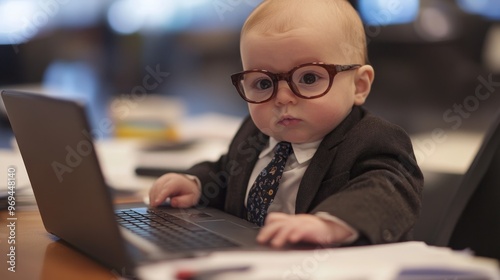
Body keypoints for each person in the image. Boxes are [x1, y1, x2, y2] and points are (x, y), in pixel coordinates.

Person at [149, 0, 423, 248]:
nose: (281, 98)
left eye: (308, 78)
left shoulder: (373, 139)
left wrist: (329, 224)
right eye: (263, 83)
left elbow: (387, 191)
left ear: (359, 85)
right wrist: (195, 183)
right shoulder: (254, 133)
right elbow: (227, 173)